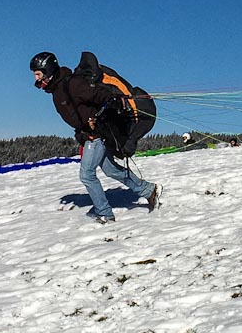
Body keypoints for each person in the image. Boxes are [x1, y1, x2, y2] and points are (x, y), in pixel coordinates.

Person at [31, 51, 161, 224]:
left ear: (48, 70)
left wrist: (112, 102)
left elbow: (99, 94)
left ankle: (104, 213)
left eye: (38, 74)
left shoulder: (72, 84)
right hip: (89, 135)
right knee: (111, 170)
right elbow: (78, 116)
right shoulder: (57, 91)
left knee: (86, 174)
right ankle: (149, 191)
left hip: (97, 134)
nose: (36, 79)